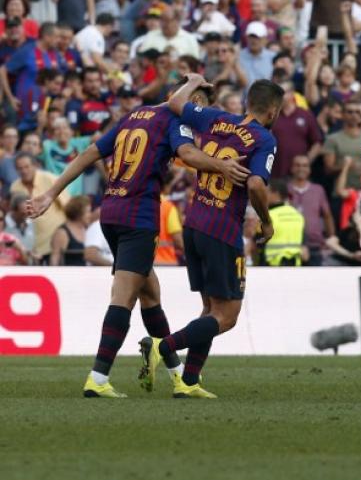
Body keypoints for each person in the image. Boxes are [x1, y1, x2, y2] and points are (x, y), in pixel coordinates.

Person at [25, 83, 251, 398]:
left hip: (112, 212)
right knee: (124, 297)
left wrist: (52, 192)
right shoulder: (177, 120)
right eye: (199, 105)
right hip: (138, 218)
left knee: (150, 295)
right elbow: (187, 153)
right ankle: (98, 378)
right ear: (192, 100)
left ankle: (179, 378)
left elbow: (92, 151)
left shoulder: (134, 115)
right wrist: (222, 166)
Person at [139, 76, 281, 399]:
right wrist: (266, 222)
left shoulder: (216, 118)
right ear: (272, 111)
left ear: (248, 102)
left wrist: (193, 82)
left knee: (209, 308)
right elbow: (257, 185)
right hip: (222, 230)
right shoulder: (263, 139)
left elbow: (175, 103)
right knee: (227, 316)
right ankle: (163, 346)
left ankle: (188, 381)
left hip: (194, 223)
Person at [265, 177, 305, 266]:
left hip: (270, 268)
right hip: (295, 267)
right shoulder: (297, 215)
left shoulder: (267, 216)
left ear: (276, 194)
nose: (262, 195)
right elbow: (304, 246)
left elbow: (257, 245)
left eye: (266, 192)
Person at [51, 194, 91, 266]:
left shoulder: (88, 230)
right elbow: (55, 258)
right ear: (79, 213)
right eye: (88, 212)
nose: (90, 215)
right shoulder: (62, 233)